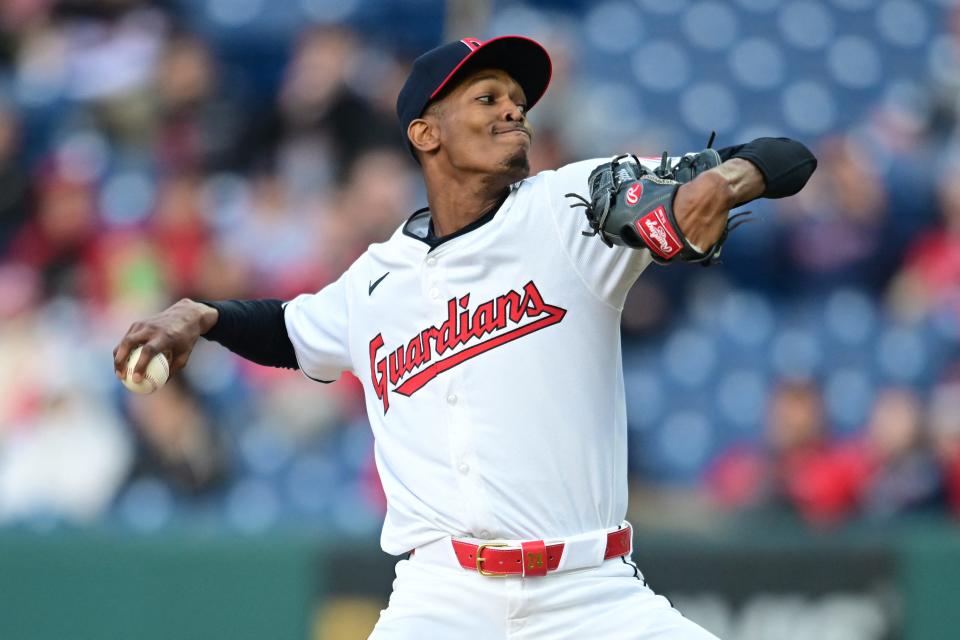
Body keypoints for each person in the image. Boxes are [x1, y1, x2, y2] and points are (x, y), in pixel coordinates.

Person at [114, 36, 816, 639]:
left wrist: (724, 181)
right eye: (488, 97)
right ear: (426, 133)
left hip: (590, 594)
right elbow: (290, 331)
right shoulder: (376, 279)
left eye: (519, 99)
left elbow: (786, 156)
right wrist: (200, 315)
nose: (514, 109)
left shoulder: (568, 207)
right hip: (442, 600)